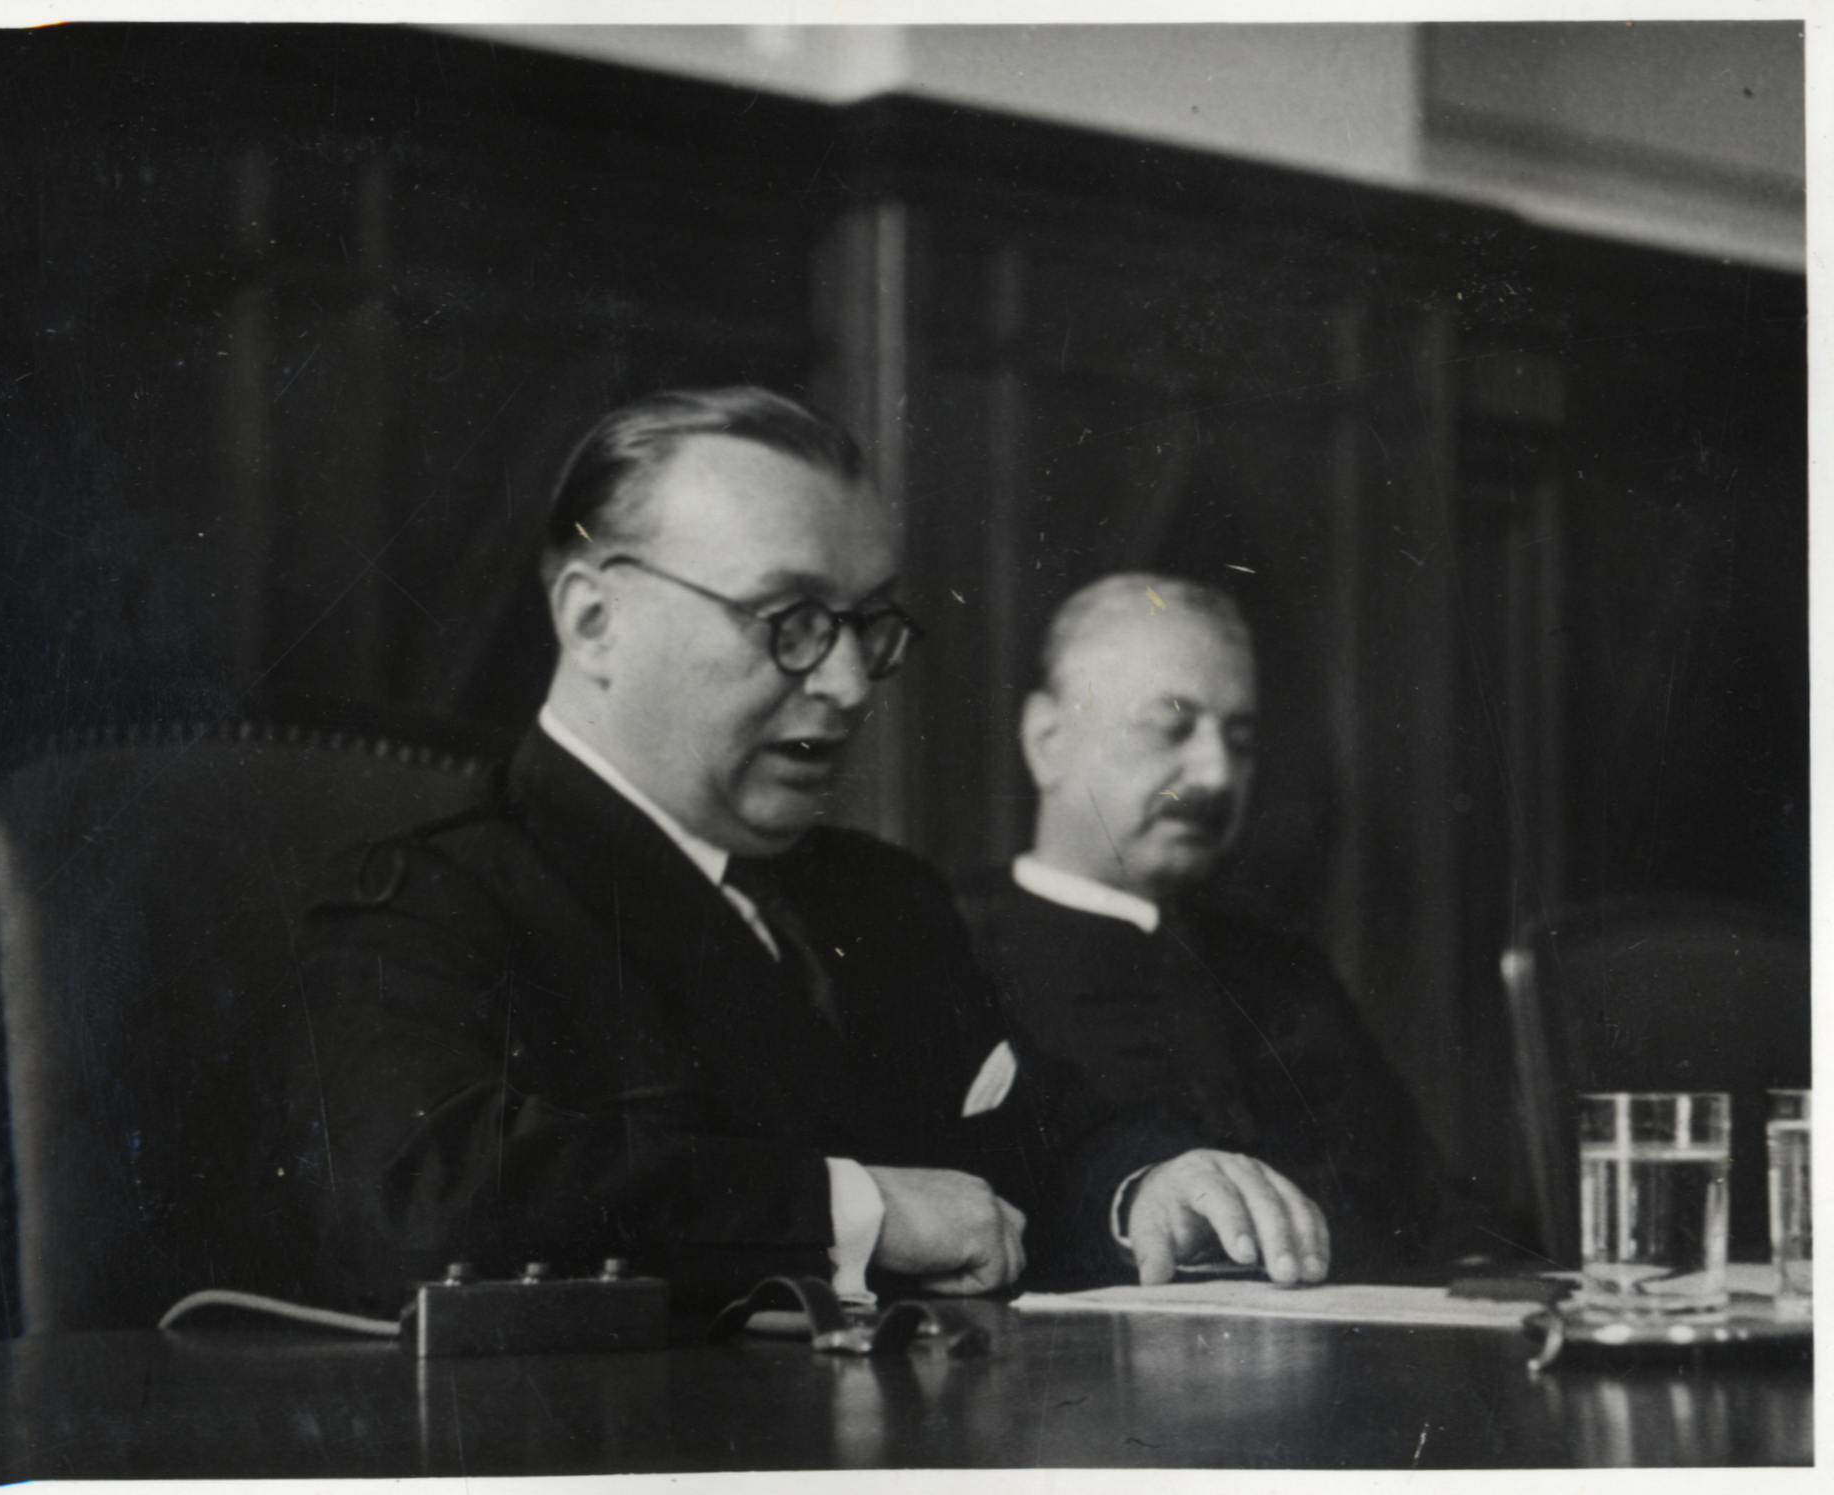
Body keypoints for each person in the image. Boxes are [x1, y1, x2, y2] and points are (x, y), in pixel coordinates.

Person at [287, 391, 1327, 1315]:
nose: (848, 683)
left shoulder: (883, 898)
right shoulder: (428, 903)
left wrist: (1144, 1187)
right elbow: (421, 1201)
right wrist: (857, 1211)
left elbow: (1039, 1135)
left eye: (868, 625)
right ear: (594, 619)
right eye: (787, 621)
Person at [958, 574, 1450, 1280]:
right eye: (1172, 728)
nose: (1217, 775)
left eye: (1240, 741)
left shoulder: (1281, 965)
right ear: (1047, 740)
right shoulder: (946, 945)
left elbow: (1432, 1213)